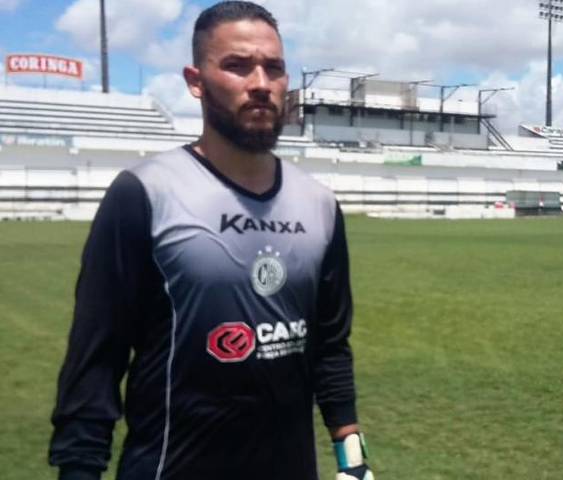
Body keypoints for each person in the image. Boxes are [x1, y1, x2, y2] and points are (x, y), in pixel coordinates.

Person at [48, 2, 374, 479]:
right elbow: (95, 362)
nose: (261, 83)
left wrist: (353, 458)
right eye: (237, 66)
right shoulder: (145, 193)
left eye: (274, 68)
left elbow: (328, 347)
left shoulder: (319, 205)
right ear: (196, 80)